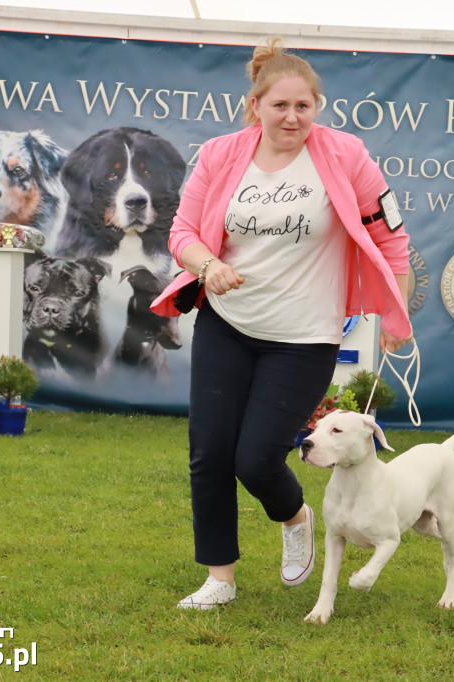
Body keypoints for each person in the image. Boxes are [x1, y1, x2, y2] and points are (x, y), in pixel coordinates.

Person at [150, 36, 413, 610]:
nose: (292, 117)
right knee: (210, 452)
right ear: (255, 108)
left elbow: (390, 238)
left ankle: (296, 518)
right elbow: (182, 234)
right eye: (280, 106)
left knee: (258, 458)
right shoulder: (222, 155)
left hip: (304, 338)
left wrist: (396, 309)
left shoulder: (347, 156)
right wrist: (208, 265)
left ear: (317, 107)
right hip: (228, 324)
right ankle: (220, 579)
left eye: (304, 106)